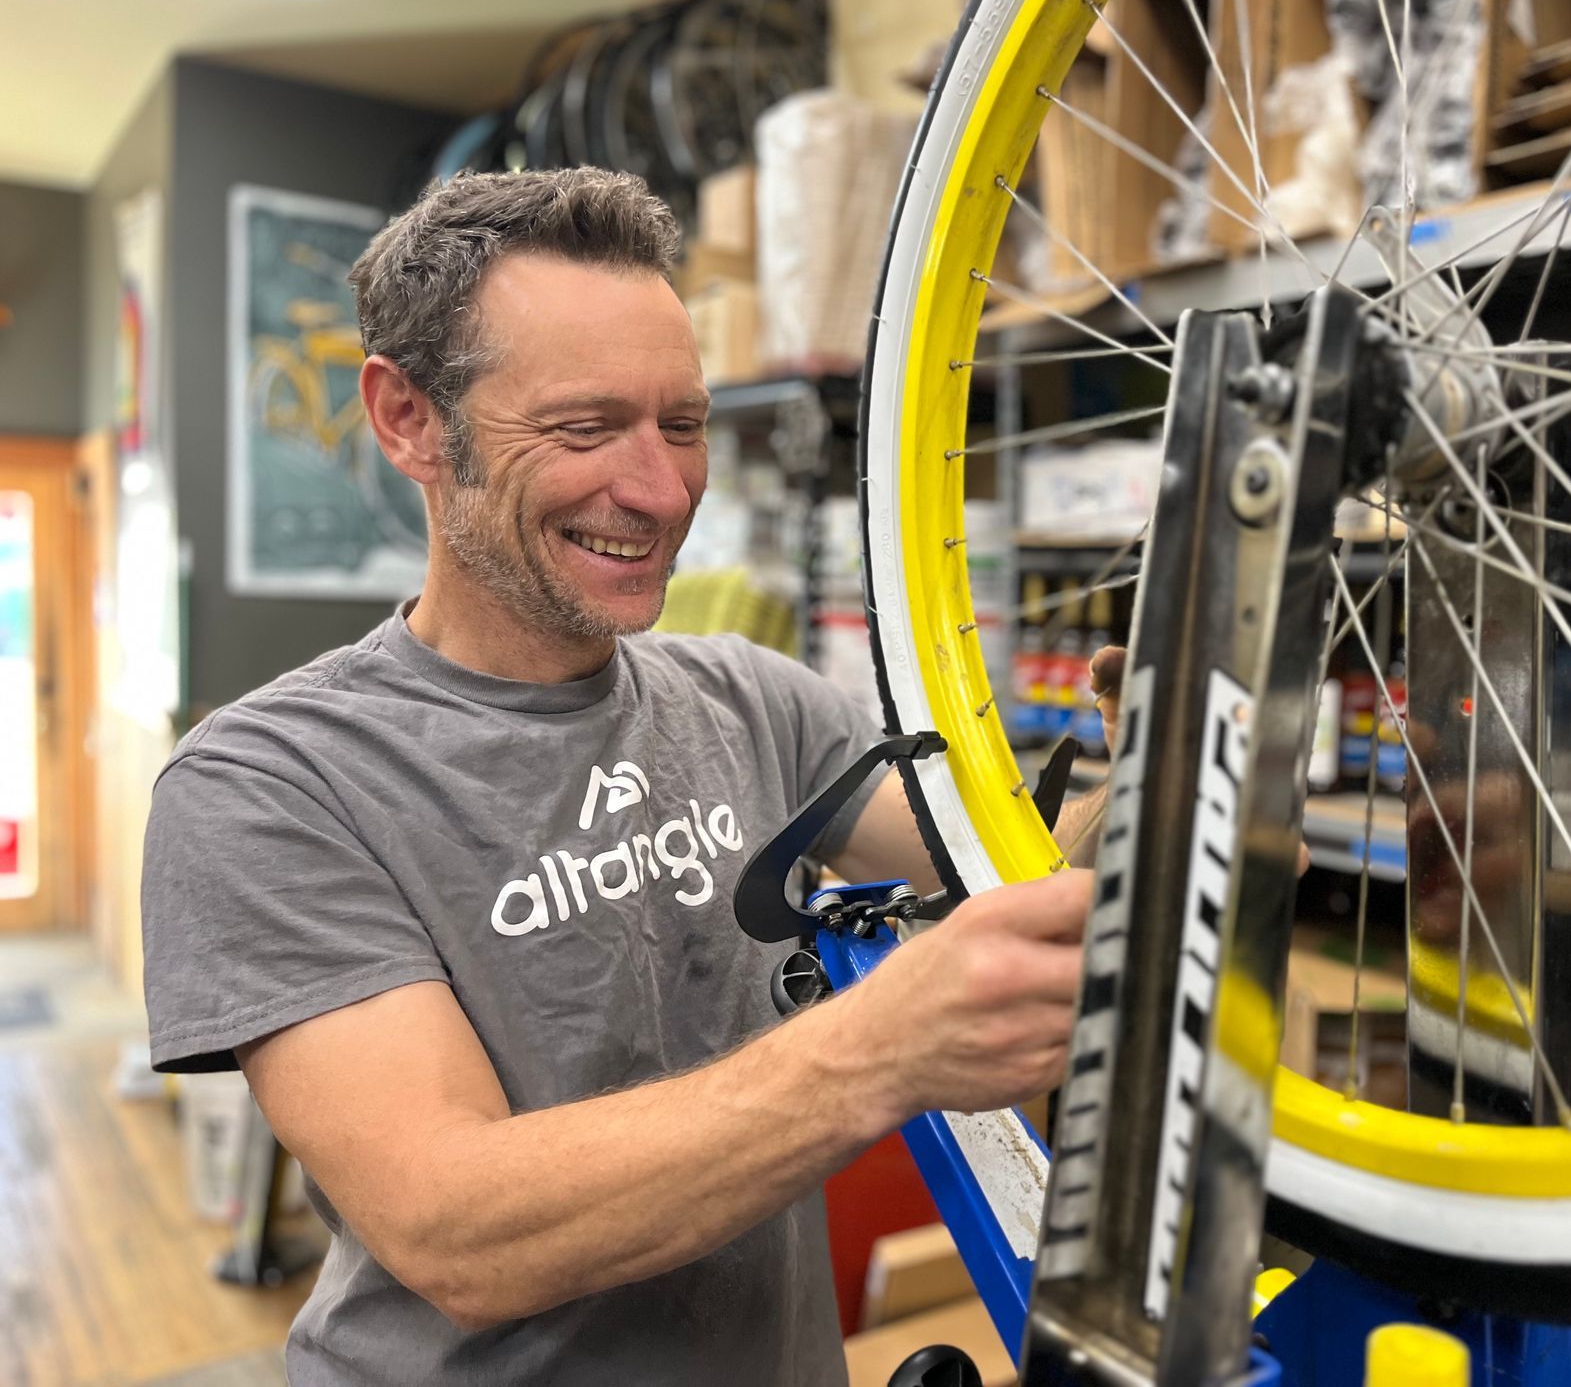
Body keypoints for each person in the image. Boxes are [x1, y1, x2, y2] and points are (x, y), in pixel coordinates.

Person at [140, 168, 1101, 1386]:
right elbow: (456, 1226)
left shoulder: (755, 701)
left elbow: (1019, 851)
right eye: (586, 429)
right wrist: (877, 1049)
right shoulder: (269, 785)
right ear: (408, 422)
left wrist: (1173, 763)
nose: (658, 492)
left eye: (684, 425)